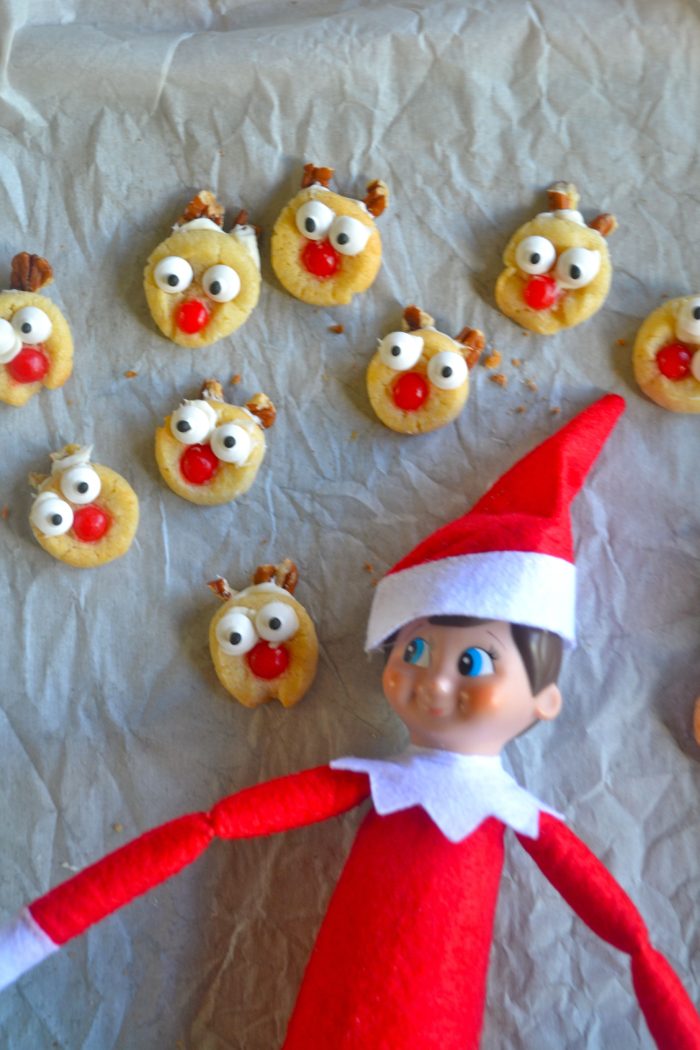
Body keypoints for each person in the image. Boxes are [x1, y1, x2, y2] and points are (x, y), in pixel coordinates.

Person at [0, 395, 698, 1049]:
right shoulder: (377, 785)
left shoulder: (506, 813)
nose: (434, 679)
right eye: (414, 651)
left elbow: (630, 940)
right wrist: (30, 938)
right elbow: (210, 828)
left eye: (474, 662)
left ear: (544, 701)